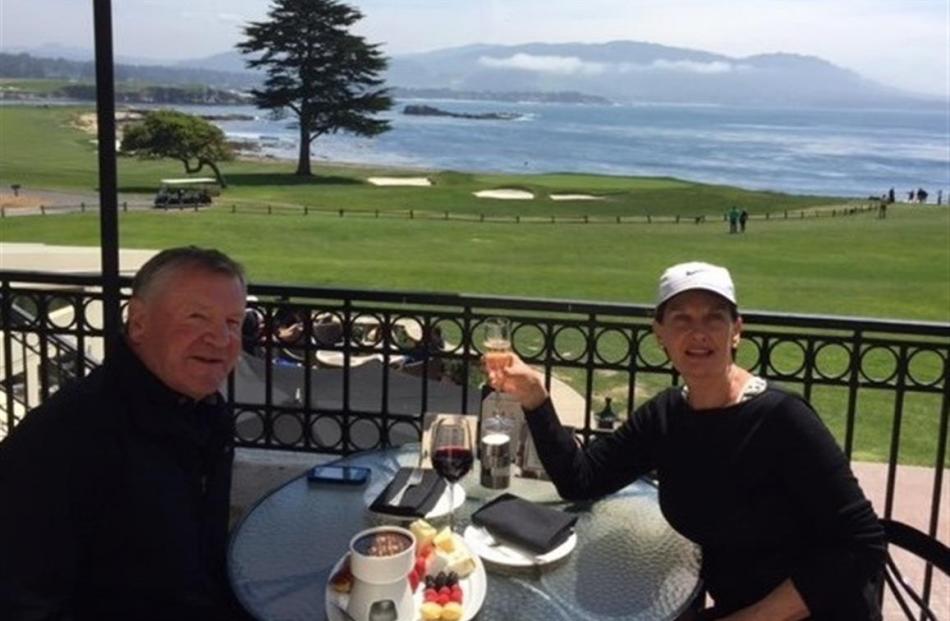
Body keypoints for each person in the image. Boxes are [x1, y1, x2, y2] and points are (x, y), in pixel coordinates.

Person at [486, 262, 885, 620]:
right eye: (681, 318)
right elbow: (581, 480)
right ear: (660, 334)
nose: (698, 332)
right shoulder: (666, 416)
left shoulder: (781, 418)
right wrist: (536, 397)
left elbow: (862, 543)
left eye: (714, 318)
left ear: (736, 330)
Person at [0, 246, 252, 620]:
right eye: (197, 317)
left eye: (233, 322)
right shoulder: (66, 438)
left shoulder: (202, 413)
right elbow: (20, 599)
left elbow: (196, 566)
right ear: (138, 322)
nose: (221, 339)